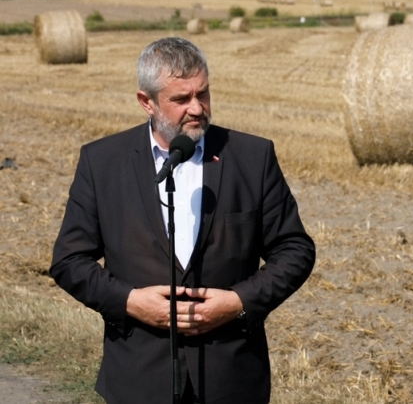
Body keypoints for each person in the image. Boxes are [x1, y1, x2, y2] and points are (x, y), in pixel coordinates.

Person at [50, 37, 316, 404]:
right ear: (146, 101)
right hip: (138, 378)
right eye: (181, 99)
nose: (197, 108)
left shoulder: (252, 157)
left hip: (232, 377)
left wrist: (238, 301)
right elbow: (68, 261)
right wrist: (130, 301)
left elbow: (295, 249)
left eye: (202, 93)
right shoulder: (102, 162)